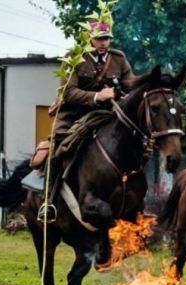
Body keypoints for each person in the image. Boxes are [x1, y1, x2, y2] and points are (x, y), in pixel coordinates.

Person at [40, 20, 136, 220]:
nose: (104, 42)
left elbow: (130, 83)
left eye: (107, 38)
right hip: (74, 115)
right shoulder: (74, 58)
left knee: (135, 139)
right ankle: (48, 201)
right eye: (100, 38)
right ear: (90, 39)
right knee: (59, 145)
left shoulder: (119, 58)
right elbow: (68, 92)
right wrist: (96, 96)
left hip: (108, 114)